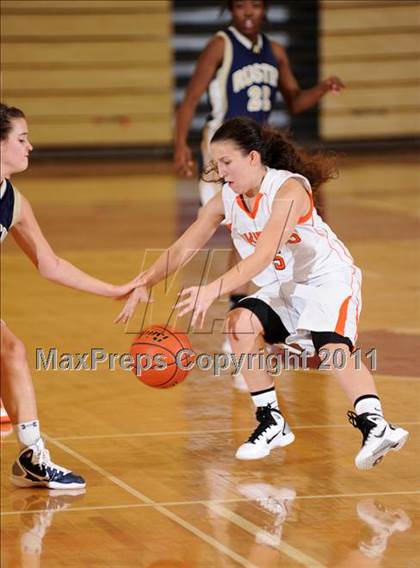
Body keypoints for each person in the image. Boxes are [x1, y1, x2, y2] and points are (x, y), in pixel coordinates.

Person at [117, 117, 408, 471]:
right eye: (216, 164)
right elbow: (183, 247)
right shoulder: (228, 198)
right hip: (284, 287)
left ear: (253, 158)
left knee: (331, 348)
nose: (221, 172)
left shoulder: (288, 191)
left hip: (327, 279)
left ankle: (376, 425)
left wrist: (213, 288)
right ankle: (271, 421)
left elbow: (265, 253)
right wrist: (144, 282)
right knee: (239, 324)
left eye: (227, 162)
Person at [174, 0, 344, 352]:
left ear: (264, 10)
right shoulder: (220, 45)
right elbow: (190, 98)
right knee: (237, 232)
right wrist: (180, 145)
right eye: (240, 6)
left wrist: (323, 88)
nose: (248, 12)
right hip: (223, 153)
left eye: (255, 5)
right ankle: (240, 318)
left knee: (261, 237)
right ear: (231, 11)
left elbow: (295, 101)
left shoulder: (275, 51)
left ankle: (269, 313)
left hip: (254, 156)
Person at [0, 103, 144, 489]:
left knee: (12, 350)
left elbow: (50, 264)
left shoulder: (13, 201)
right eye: (22, 139)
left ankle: (32, 456)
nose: (30, 147)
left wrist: (112, 289)